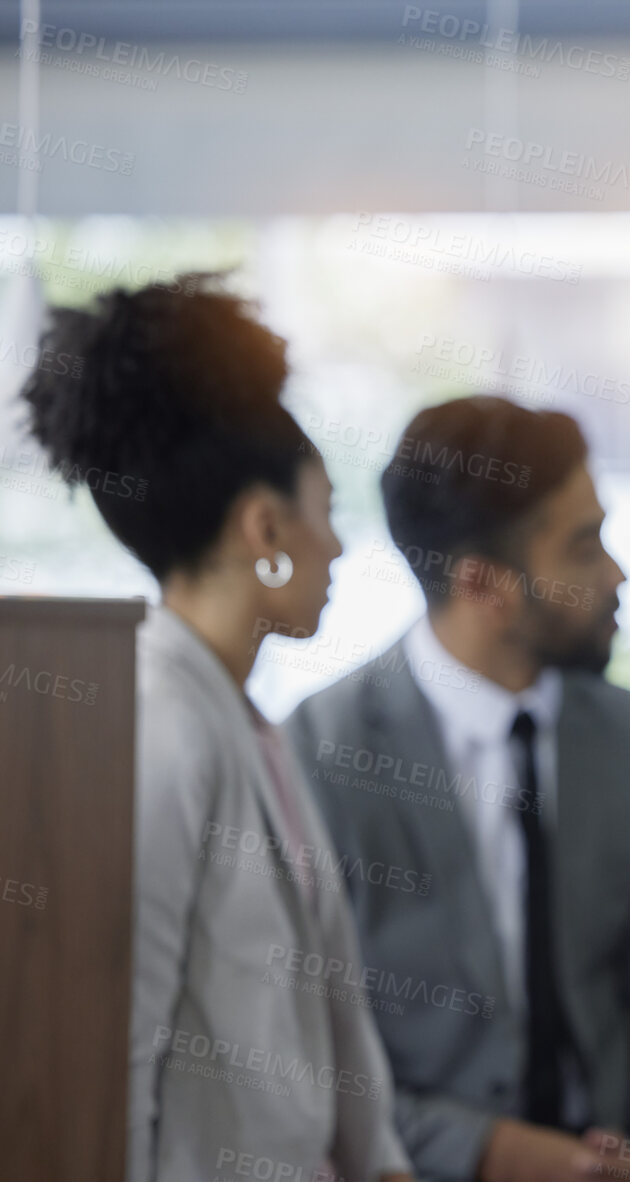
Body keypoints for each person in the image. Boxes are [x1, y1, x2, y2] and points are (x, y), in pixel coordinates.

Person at [20, 277, 413, 1182]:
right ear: (265, 527)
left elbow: (329, 1019)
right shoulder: (160, 724)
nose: (339, 548)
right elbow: (110, 1058)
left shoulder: (243, 721)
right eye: (325, 512)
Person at [286, 396, 630, 1182]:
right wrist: (503, 1157)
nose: (617, 574)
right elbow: (302, 1058)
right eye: (584, 546)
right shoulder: (319, 755)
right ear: (485, 585)